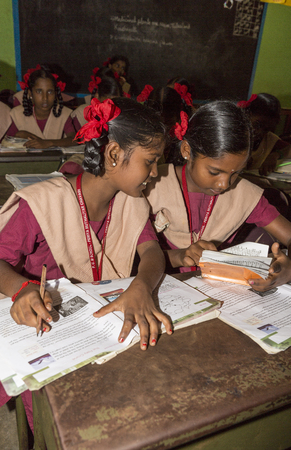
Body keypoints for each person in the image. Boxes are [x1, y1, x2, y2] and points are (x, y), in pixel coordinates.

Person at [0, 97, 173, 431]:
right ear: (112, 155)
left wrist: (141, 285)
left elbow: (153, 253)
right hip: (48, 330)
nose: (155, 173)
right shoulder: (44, 202)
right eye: (150, 162)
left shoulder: (131, 202)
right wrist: (20, 289)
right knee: (67, 422)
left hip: (98, 330)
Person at [145, 100, 291, 292]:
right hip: (158, 287)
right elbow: (133, 256)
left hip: (215, 290)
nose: (224, 184)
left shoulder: (244, 194)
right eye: (214, 171)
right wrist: (179, 255)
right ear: (186, 150)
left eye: (236, 173)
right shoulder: (151, 185)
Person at [7, 66, 76, 148]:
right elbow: (8, 144)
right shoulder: (16, 114)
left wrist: (48, 143)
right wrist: (21, 135)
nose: (45, 98)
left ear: (56, 93)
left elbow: (73, 140)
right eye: (39, 91)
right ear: (30, 93)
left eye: (50, 92)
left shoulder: (64, 113)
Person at [237, 93, 291, 175]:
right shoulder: (232, 134)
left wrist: (275, 155)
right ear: (247, 115)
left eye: (267, 129)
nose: (260, 132)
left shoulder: (268, 139)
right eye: (257, 125)